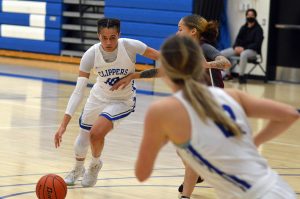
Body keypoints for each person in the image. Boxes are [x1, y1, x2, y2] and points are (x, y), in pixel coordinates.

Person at [135, 35, 299, 199]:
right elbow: (290, 115)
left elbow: (142, 174)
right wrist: (255, 142)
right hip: (278, 187)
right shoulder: (232, 95)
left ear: (165, 69)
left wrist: (159, 139)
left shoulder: (162, 110)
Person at [54, 17, 160, 187]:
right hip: (98, 97)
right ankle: (78, 168)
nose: (109, 42)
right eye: (104, 38)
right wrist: (63, 125)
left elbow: (163, 60)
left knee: (96, 134)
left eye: (113, 37)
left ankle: (95, 164)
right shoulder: (90, 54)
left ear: (119, 35)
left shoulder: (131, 46)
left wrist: (135, 75)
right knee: (82, 139)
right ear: (98, 36)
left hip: (122, 100)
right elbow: (78, 91)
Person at [177, 14, 231, 88]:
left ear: (193, 31)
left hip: (212, 95)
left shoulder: (204, 47)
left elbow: (226, 63)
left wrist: (207, 65)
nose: (177, 33)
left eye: (180, 30)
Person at [221, 8, 263, 84]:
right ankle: (227, 74)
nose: (250, 17)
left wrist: (244, 48)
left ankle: (241, 76)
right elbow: (238, 39)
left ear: (255, 16)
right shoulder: (243, 28)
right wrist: (236, 47)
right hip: (240, 49)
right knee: (222, 53)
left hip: (252, 51)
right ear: (246, 16)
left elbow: (256, 44)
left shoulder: (258, 29)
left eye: (252, 15)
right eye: (248, 15)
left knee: (244, 54)